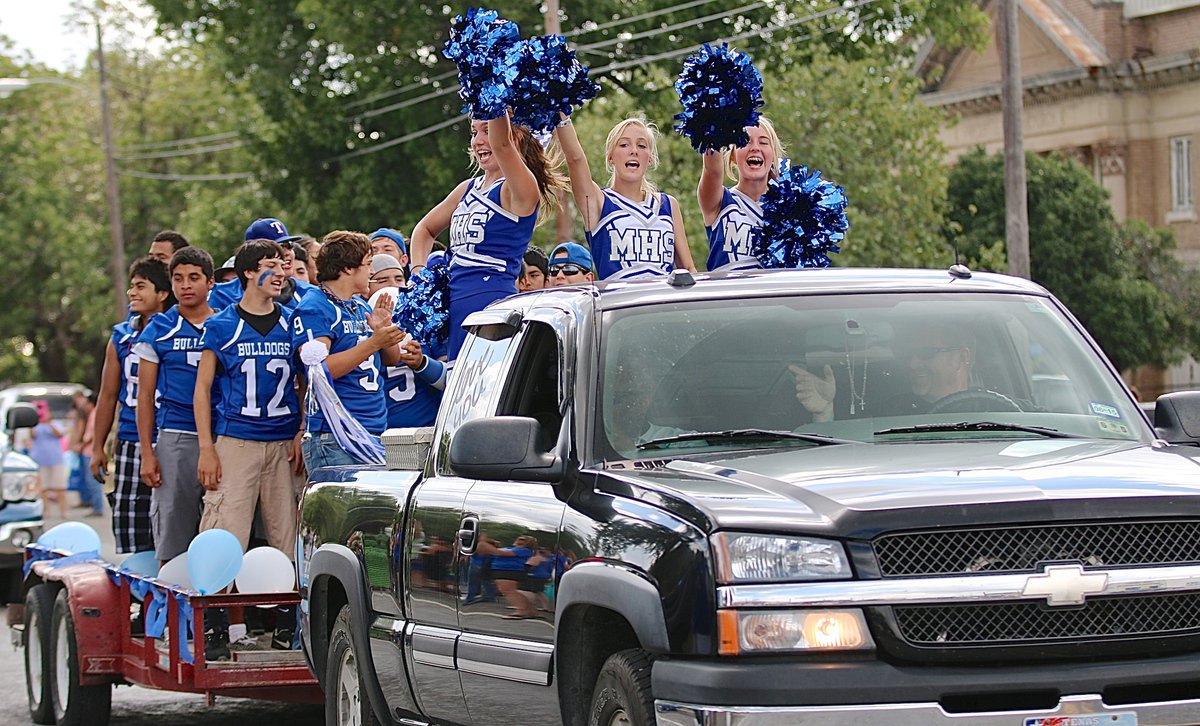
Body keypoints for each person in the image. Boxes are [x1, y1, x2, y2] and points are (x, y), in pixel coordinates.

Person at [194, 239, 306, 658]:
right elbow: (202, 389)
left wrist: (301, 428)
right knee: (224, 534)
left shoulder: (292, 321)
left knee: (288, 535)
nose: (279, 272)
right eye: (269, 266)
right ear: (246, 272)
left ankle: (287, 626)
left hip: (282, 441)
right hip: (236, 440)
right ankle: (215, 629)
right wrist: (207, 447)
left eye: (282, 265)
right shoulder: (222, 325)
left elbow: (303, 383)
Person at [410, 114, 568, 359]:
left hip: (492, 305)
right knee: (458, 392)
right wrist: (419, 275)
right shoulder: (467, 188)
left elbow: (502, 145)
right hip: (456, 307)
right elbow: (424, 230)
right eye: (474, 132)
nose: (478, 141)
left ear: (514, 137)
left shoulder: (521, 188)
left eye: (486, 131)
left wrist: (493, 91)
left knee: (487, 391)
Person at [291, 230, 409, 470]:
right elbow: (318, 372)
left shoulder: (359, 305)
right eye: (367, 264)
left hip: (373, 429)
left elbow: (393, 359)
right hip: (335, 435)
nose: (372, 271)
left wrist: (383, 331)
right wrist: (373, 343)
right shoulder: (315, 307)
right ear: (347, 268)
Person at [133, 247, 216, 564]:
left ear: (210, 282)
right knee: (172, 530)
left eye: (194, 277)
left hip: (222, 435)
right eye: (178, 278)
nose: (185, 285)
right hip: (176, 434)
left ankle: (224, 613)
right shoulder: (159, 328)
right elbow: (145, 397)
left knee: (220, 529)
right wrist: (148, 452)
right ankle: (172, 611)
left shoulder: (226, 323)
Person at [90, 257, 171, 554]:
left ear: (162, 293)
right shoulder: (122, 336)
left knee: (171, 521)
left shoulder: (177, 331)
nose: (132, 293)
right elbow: (108, 394)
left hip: (170, 434)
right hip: (130, 438)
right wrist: (97, 445)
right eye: (131, 287)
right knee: (133, 522)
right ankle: (140, 589)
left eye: (141, 286)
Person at [554, 115, 695, 281]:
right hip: (619, 304)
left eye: (641, 145)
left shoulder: (667, 204)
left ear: (649, 158)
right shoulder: (600, 202)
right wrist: (562, 114)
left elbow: (688, 269)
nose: (634, 150)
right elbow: (575, 159)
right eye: (624, 144)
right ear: (610, 157)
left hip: (662, 303)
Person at [790, 323, 985, 421]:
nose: (913, 364)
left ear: (962, 356)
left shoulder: (1005, 412)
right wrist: (824, 413)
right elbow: (850, 455)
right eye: (910, 354)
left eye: (926, 353)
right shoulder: (889, 413)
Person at [697, 117, 784, 271]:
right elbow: (712, 170)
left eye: (763, 142)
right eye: (745, 141)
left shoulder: (787, 209)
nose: (755, 148)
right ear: (733, 157)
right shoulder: (721, 201)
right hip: (728, 294)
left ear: (773, 156)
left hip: (773, 294)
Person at [209, 218, 309, 311]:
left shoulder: (310, 294)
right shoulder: (222, 295)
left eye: (289, 245)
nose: (286, 253)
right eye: (278, 247)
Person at [29, 401, 67, 519]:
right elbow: (32, 435)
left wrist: (49, 422)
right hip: (40, 460)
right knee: (43, 488)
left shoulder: (55, 424)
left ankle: (63, 511)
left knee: (60, 487)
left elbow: (59, 434)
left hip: (55, 459)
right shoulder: (35, 426)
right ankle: (46, 510)